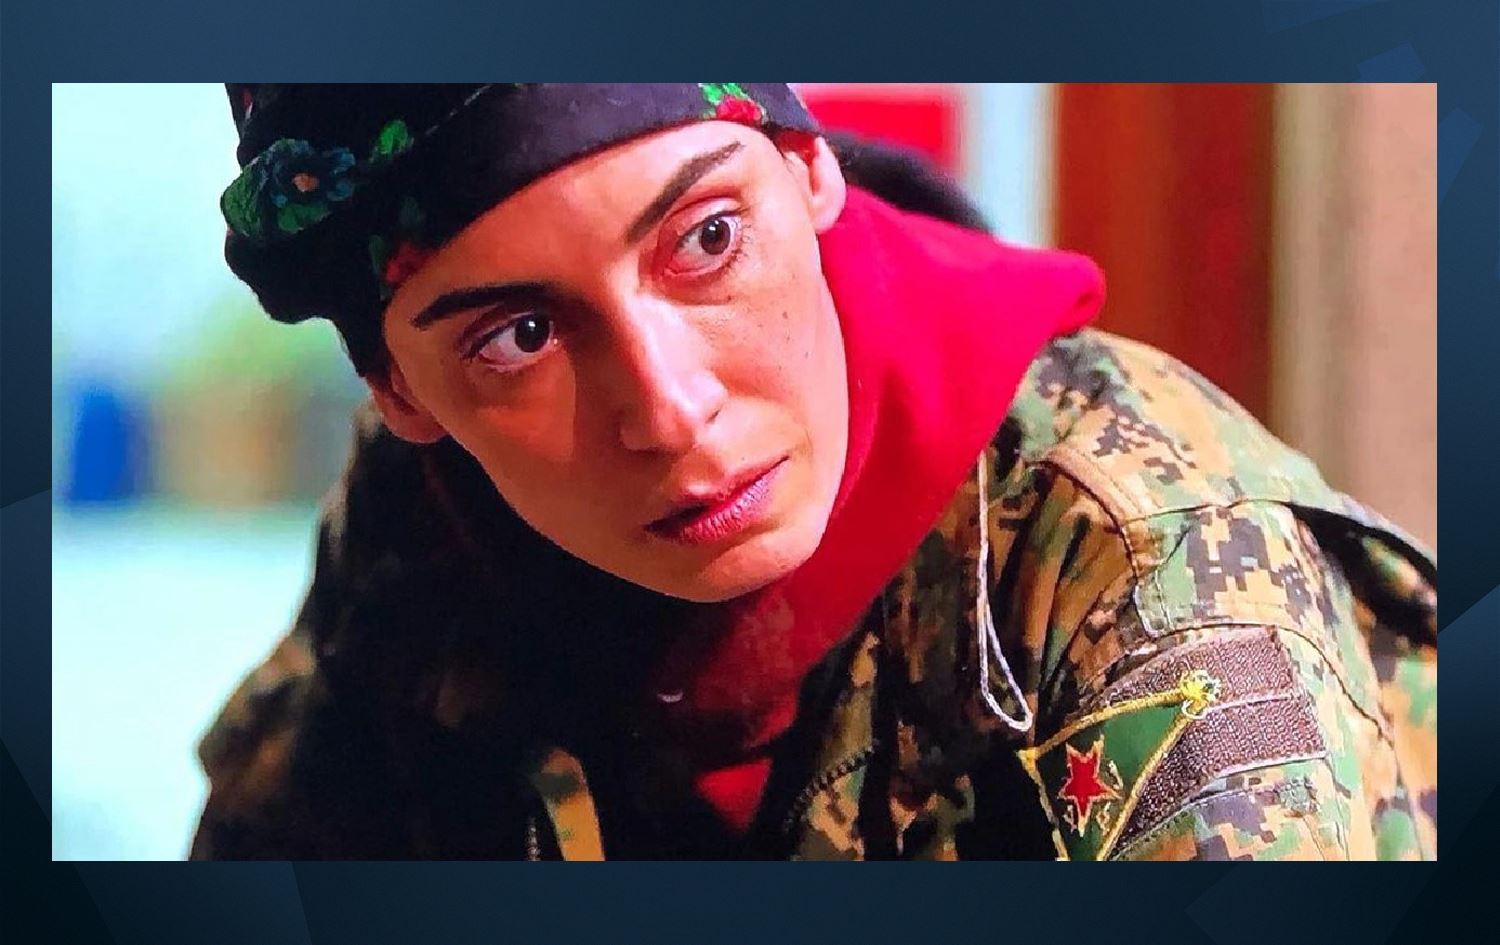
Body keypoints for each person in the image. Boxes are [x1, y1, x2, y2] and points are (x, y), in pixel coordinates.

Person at [190, 83, 1437, 860]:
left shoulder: (1147, 557)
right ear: (400, 392)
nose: (669, 412)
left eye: (707, 239)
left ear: (807, 166)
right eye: (520, 338)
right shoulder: (430, 518)